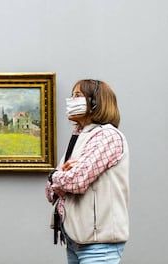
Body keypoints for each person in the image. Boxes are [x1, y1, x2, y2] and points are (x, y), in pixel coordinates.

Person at [45, 79, 130, 264]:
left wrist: (55, 175)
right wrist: (60, 179)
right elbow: (51, 192)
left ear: (95, 102)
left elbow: (77, 180)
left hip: (98, 245)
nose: (70, 101)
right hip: (75, 239)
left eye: (77, 96)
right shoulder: (79, 137)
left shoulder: (108, 136)